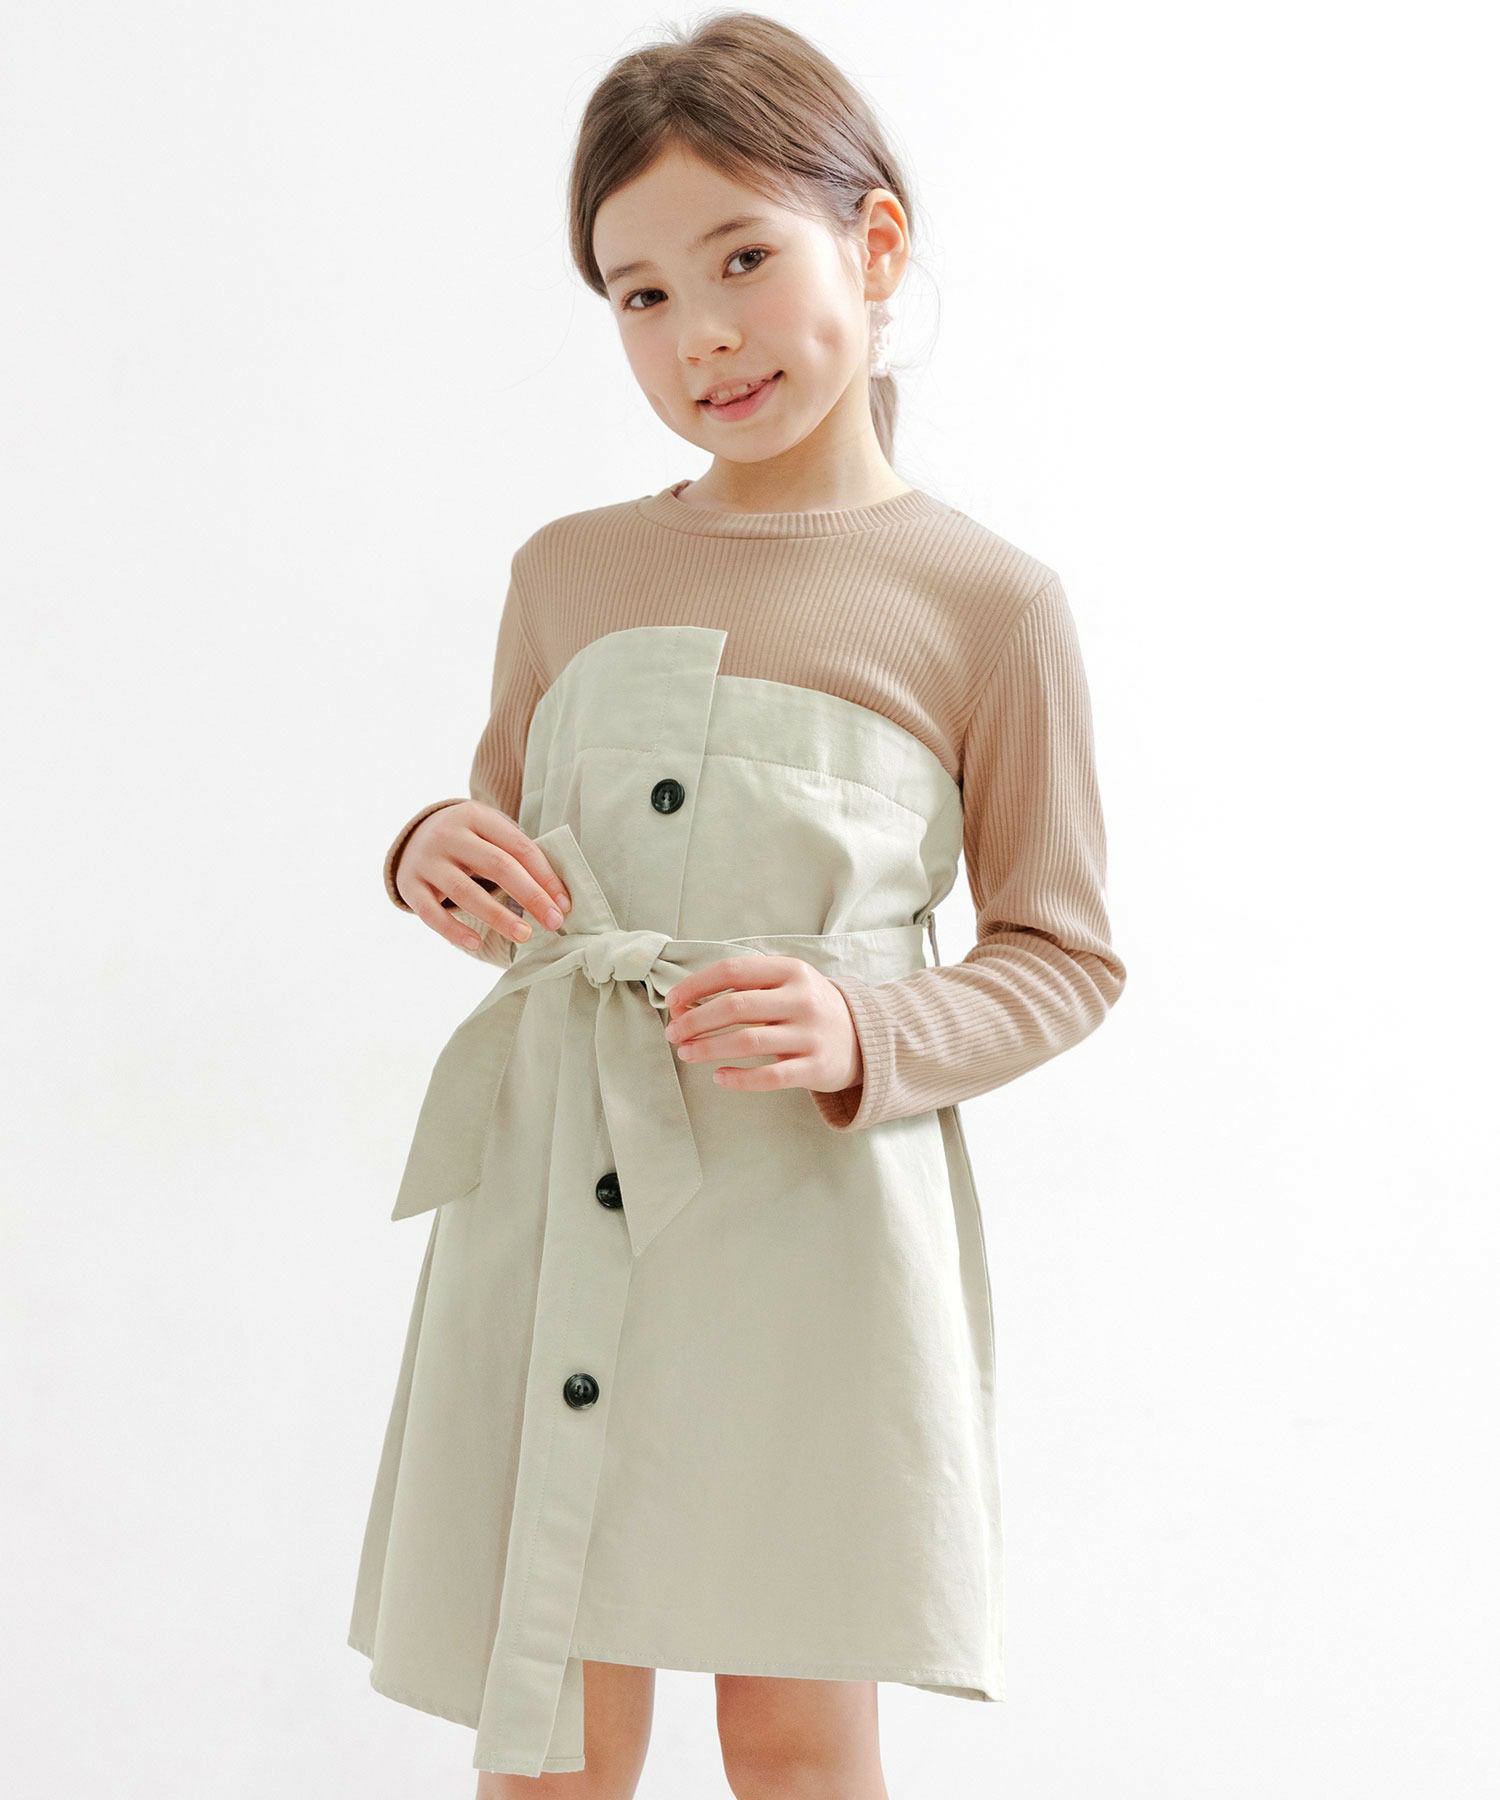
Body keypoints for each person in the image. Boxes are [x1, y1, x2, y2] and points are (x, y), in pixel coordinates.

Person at [346, 13, 1128, 1798]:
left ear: (875, 244)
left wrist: (867, 1024)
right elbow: (506, 837)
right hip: (559, 1191)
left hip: (810, 1221)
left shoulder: (987, 603)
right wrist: (429, 848)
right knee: (551, 1713)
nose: (698, 331)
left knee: (791, 1727)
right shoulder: (568, 569)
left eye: (743, 260)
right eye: (638, 294)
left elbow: (1063, 952)